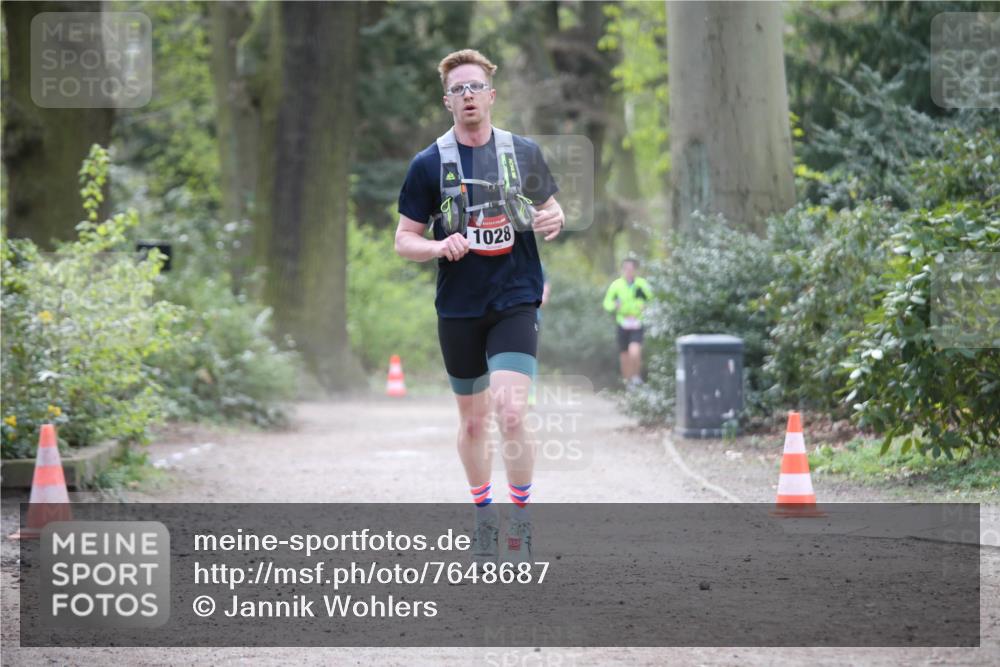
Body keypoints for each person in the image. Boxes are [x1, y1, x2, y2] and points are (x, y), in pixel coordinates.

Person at [394, 49, 565, 566]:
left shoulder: (523, 153)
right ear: (447, 102)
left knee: (510, 410)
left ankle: (521, 520)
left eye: (475, 87)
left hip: (516, 297)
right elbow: (404, 240)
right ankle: (483, 516)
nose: (467, 96)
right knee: (472, 424)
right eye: (457, 90)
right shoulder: (428, 164)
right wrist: (437, 247)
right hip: (460, 306)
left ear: (491, 95)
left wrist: (553, 219)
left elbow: (550, 209)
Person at [603, 258, 652, 387]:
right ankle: (627, 382)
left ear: (635, 270)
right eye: (626, 269)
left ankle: (636, 376)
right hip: (622, 323)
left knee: (634, 351)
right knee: (624, 355)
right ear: (622, 270)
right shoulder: (616, 285)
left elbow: (651, 300)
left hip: (637, 323)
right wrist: (615, 306)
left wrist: (645, 306)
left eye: (631, 269)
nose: (628, 271)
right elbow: (607, 303)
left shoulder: (642, 284)